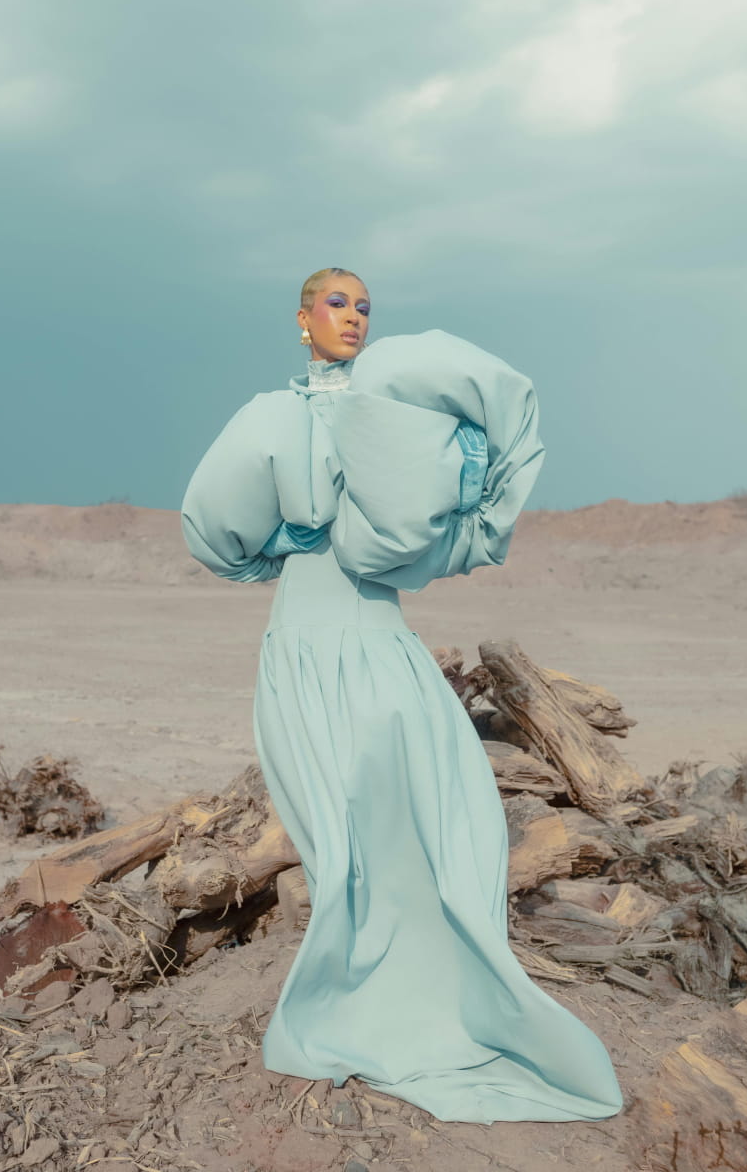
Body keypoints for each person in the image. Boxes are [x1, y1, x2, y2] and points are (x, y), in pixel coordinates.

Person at [180, 267, 624, 1124]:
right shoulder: (273, 417)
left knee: (413, 829)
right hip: (299, 648)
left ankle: (422, 1006)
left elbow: (429, 530)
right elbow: (223, 534)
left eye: (364, 306)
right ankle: (355, 1003)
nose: (353, 316)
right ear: (302, 318)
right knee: (336, 839)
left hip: (376, 649)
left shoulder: (396, 413)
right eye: (336, 302)